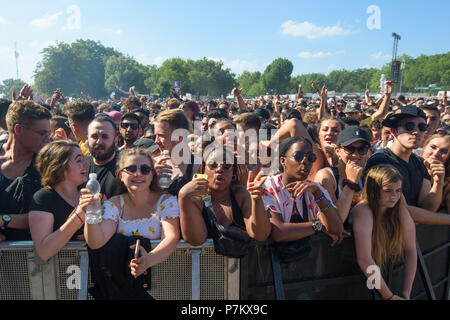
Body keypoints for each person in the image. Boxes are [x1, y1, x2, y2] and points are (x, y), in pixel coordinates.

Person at [84, 147, 180, 277]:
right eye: (131, 169)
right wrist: (90, 214)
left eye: (145, 169)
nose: (138, 174)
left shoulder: (166, 201)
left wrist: (147, 261)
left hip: (165, 278)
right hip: (124, 284)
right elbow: (96, 242)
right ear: (120, 175)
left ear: (152, 175)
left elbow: (171, 237)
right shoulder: (114, 204)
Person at [365, 105, 450, 225]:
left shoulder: (419, 162)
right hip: (387, 234)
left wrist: (438, 183)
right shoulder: (381, 161)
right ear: (394, 132)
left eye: (422, 127)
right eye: (409, 126)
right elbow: (400, 210)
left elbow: (427, 208)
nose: (416, 132)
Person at [179, 146, 271, 247]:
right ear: (203, 170)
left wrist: (257, 200)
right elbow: (196, 241)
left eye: (226, 166)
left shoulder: (241, 195)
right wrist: (183, 197)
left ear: (233, 174)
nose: (219, 169)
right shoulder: (194, 199)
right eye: (213, 164)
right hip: (205, 262)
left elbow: (260, 235)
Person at [261, 136, 345, 246]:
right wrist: (318, 225)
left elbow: (337, 228)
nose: (305, 162)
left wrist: (318, 195)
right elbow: (279, 232)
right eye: (298, 156)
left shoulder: (315, 189)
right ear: (283, 161)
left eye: (311, 157)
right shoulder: (267, 186)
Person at [352, 165, 417, 300]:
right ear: (374, 190)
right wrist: (390, 297)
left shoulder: (399, 209)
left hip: (378, 279)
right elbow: (364, 259)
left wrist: (406, 292)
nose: (394, 196)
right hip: (352, 279)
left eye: (398, 190)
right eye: (388, 191)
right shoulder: (363, 210)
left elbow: (411, 250)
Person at [28, 141, 90, 261]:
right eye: (79, 160)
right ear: (60, 168)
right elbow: (43, 251)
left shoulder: (88, 192)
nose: (86, 164)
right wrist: (79, 216)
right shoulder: (44, 198)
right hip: (58, 275)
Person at [0, 100, 52, 241]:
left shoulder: (49, 165)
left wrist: (4, 220)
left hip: (32, 256)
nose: (48, 140)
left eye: (49, 134)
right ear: (18, 129)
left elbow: (50, 214)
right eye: (42, 133)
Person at [314, 126, 370, 224]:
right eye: (349, 149)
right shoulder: (326, 176)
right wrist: (351, 182)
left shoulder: (368, 176)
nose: (355, 155)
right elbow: (336, 221)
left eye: (362, 149)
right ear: (337, 151)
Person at [153, 109, 201, 196]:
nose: (156, 141)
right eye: (155, 135)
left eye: (161, 136)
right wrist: (152, 178)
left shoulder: (198, 167)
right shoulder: (152, 164)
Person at [86, 116, 119, 199]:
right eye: (94, 136)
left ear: (115, 140)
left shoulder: (125, 169)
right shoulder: (81, 166)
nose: (99, 141)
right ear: (87, 138)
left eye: (104, 136)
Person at [420, 134, 450, 212]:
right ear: (424, 147)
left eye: (444, 151)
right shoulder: (409, 168)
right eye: (433, 147)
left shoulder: (447, 183)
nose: (436, 153)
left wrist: (439, 183)